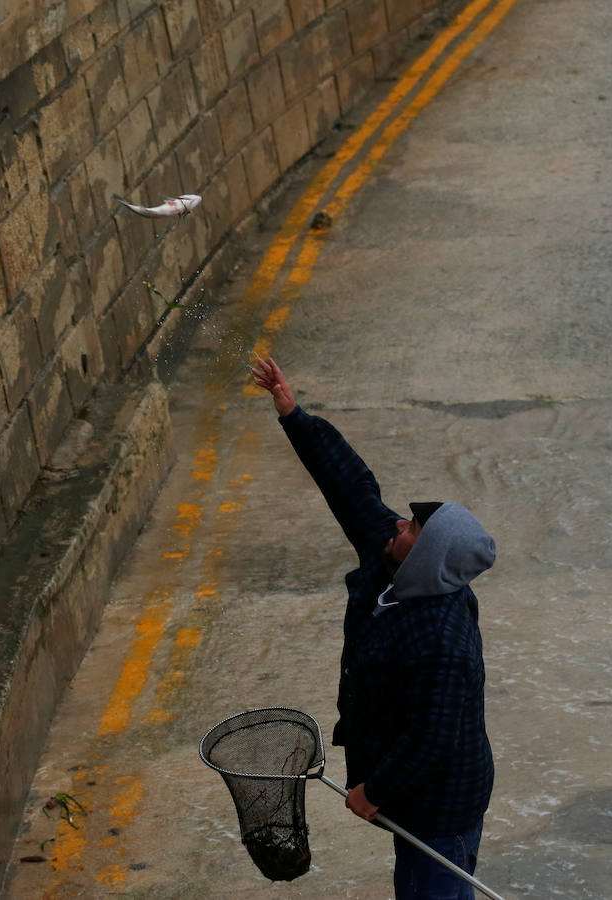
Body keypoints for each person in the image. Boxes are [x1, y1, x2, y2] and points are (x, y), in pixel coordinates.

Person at [251, 357, 496, 900]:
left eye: (412, 526)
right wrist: (294, 414)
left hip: (439, 804)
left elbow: (432, 738)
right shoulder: (393, 557)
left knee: (430, 886)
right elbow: (350, 488)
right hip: (413, 789)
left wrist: (374, 790)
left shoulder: (441, 641)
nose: (398, 522)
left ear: (427, 554)